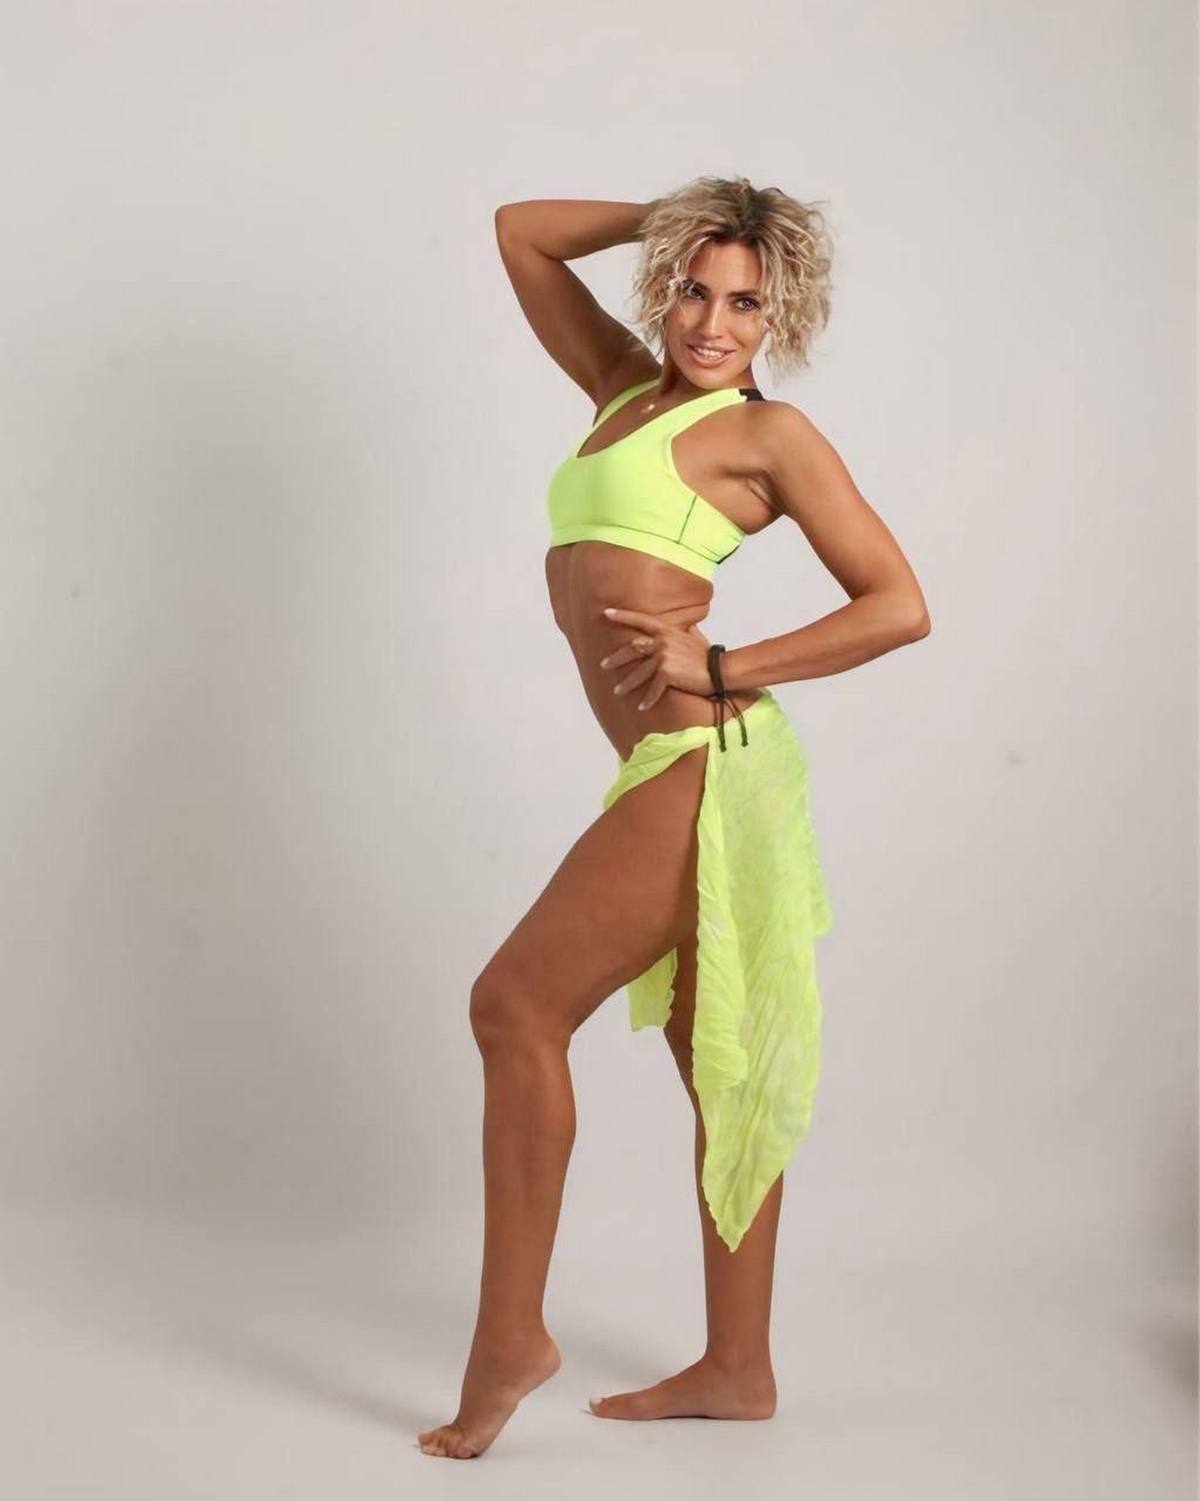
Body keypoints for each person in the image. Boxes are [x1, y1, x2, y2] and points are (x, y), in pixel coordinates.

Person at [417, 175, 931, 1460]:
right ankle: (738, 1368)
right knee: (722, 1065)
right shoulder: (621, 392)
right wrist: (681, 211)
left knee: (514, 1006)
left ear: (779, 316)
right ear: (663, 290)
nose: (713, 323)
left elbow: (898, 603)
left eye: (745, 303)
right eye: (695, 291)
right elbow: (521, 233)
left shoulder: (772, 436)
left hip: (703, 763)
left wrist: (728, 662)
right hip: (661, 763)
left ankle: (508, 1339)